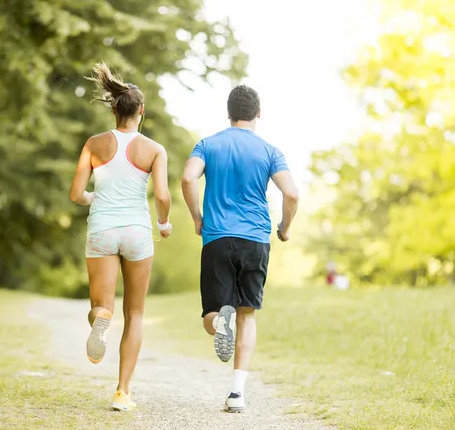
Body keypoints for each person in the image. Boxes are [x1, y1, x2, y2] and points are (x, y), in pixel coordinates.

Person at [181, 84, 299, 413]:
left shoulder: (208, 144)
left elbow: (188, 179)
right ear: (258, 114)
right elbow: (291, 194)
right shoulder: (270, 150)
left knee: (211, 317)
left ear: (229, 113)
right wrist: (284, 228)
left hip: (217, 237)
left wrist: (197, 218)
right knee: (247, 314)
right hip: (256, 240)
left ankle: (221, 324)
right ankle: (236, 394)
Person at [69, 63, 172, 411]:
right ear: (141, 111)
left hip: (102, 230)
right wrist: (164, 222)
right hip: (136, 233)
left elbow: (75, 193)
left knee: (103, 307)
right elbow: (161, 195)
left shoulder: (94, 144)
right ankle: (122, 392)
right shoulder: (154, 149)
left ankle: (100, 319)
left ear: (114, 108)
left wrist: (91, 198)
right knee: (136, 314)